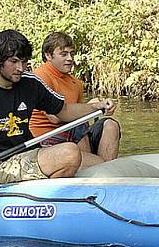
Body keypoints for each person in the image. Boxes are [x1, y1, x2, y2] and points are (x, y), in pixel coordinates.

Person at [0, 30, 116, 184]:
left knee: (83, 156)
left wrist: (97, 107)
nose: (21, 68)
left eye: (24, 61)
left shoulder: (30, 83)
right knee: (69, 152)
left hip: (30, 153)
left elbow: (65, 111)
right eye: (14, 62)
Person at [29, 31, 121, 169]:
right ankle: (100, 167)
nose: (70, 58)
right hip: (46, 140)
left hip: (72, 136)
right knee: (78, 124)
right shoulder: (40, 77)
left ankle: (102, 170)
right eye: (64, 54)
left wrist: (99, 107)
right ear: (48, 55)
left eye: (72, 53)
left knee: (110, 125)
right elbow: (55, 117)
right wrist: (91, 107)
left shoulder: (76, 83)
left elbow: (79, 115)